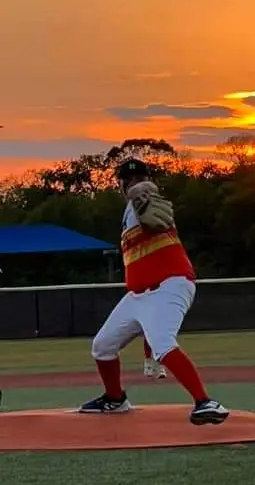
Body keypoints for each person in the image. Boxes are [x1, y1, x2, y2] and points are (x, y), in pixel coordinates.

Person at [78, 158, 229, 425]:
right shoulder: (128, 213)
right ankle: (115, 399)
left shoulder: (146, 199)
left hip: (169, 285)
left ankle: (206, 402)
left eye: (139, 178)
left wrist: (141, 190)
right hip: (138, 295)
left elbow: (146, 195)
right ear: (120, 183)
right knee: (102, 346)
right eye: (128, 180)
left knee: (163, 343)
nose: (133, 183)